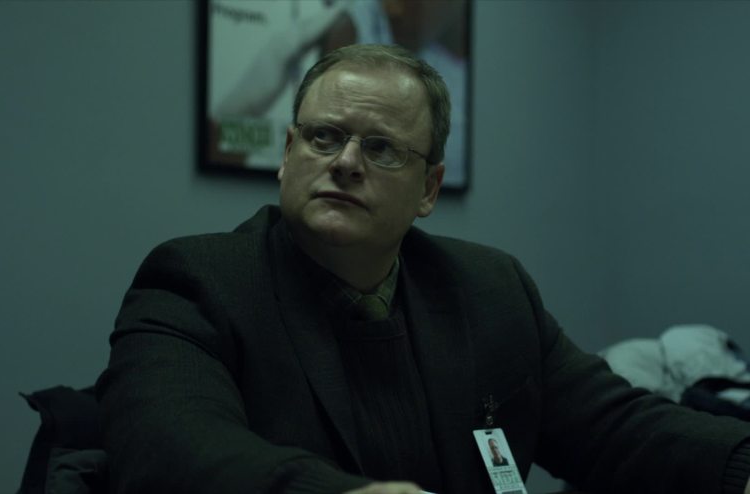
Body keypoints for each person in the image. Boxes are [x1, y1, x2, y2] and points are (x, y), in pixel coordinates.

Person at [97, 44, 750, 494]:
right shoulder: (198, 281)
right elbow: (169, 447)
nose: (345, 162)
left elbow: (615, 429)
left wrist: (738, 464)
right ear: (288, 154)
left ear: (429, 188)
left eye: (381, 148)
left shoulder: (490, 290)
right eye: (324, 137)